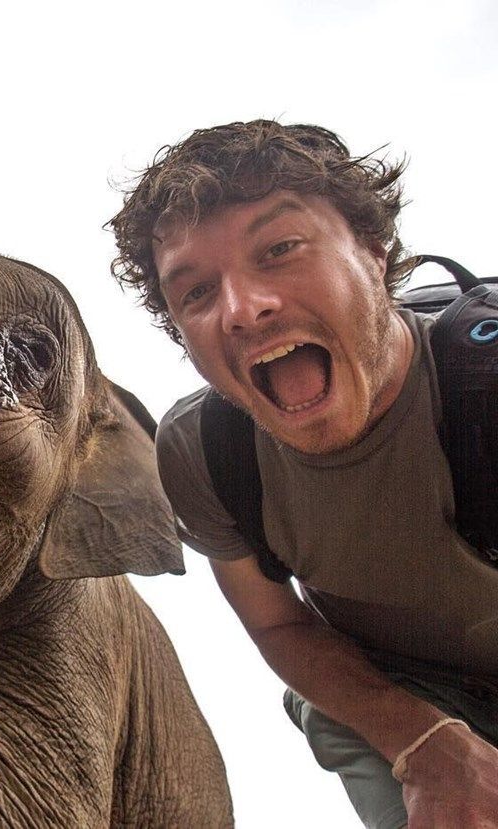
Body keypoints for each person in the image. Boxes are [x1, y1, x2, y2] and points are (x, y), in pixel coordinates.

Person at [108, 120, 498, 829]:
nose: (241, 307)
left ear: (374, 253)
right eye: (195, 293)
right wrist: (423, 741)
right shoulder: (205, 451)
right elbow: (279, 623)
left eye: (280, 249)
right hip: (393, 690)